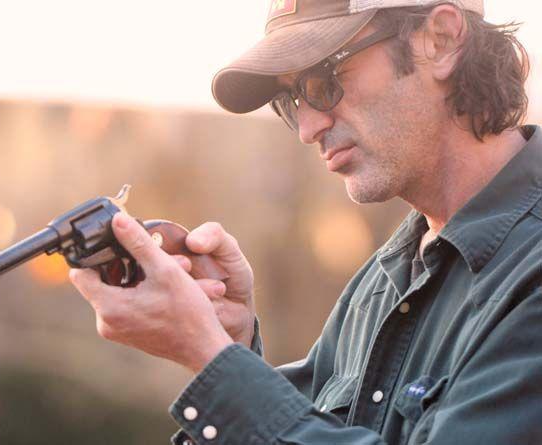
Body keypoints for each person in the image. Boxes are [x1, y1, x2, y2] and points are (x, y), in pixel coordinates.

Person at [70, 0, 542, 443]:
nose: (307, 128)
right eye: (292, 99)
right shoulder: (387, 276)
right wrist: (230, 346)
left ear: (440, 40)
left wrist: (210, 356)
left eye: (323, 81)